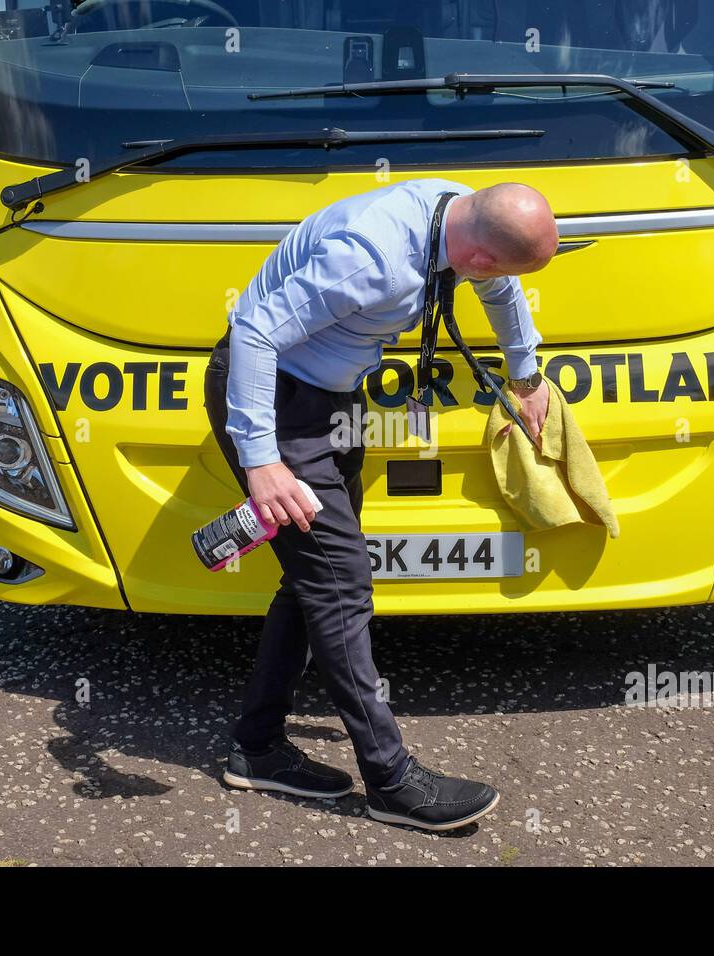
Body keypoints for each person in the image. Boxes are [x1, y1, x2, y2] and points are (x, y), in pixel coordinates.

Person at [204, 179, 557, 831]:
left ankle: (256, 747)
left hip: (329, 401)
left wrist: (525, 372)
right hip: (276, 403)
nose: (501, 283)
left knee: (315, 579)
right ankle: (392, 781)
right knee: (342, 587)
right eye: (503, 269)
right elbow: (254, 330)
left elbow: (500, 287)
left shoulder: (457, 211)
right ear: (477, 254)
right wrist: (261, 462)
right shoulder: (374, 259)